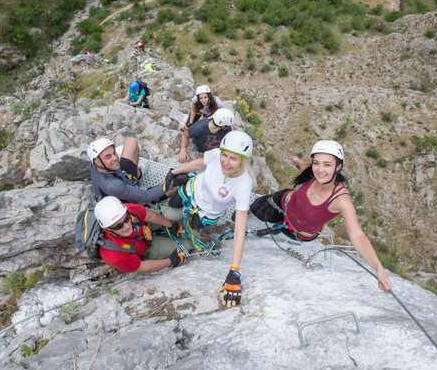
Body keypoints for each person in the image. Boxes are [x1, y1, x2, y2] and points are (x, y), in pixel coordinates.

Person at [250, 140, 393, 293]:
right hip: (285, 200)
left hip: (297, 231)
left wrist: (379, 269)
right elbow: (308, 169)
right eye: (316, 163)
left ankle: (277, 225)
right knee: (256, 207)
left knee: (270, 219)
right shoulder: (316, 174)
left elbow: (357, 236)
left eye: (327, 164)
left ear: (338, 167)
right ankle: (249, 211)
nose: (320, 169)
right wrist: (298, 161)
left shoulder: (341, 200)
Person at [166, 131, 254, 308]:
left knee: (195, 225)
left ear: (244, 161)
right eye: (225, 155)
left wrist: (234, 272)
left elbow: (239, 231)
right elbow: (200, 162)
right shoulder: (217, 155)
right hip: (192, 191)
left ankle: (187, 227)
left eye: (233, 159)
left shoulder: (243, 184)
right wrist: (175, 171)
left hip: (208, 212)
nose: (226, 162)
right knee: (172, 204)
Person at [94, 196, 194, 273]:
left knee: (179, 213)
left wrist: (170, 224)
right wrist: (170, 261)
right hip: (146, 248)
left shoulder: (125, 210)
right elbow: (142, 266)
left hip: (145, 226)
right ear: (106, 229)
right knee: (190, 242)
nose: (126, 226)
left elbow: (149, 216)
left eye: (126, 219)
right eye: (118, 226)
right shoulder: (114, 255)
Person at [89, 137, 175, 204]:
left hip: (124, 178)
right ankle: (156, 198)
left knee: (131, 141)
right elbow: (146, 196)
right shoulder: (113, 185)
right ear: (97, 162)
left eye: (114, 153)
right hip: (135, 200)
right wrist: (172, 183)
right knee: (178, 183)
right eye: (108, 157)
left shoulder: (95, 164)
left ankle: (137, 175)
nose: (115, 158)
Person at [178, 85, 224, 163]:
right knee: (189, 127)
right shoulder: (195, 100)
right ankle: (188, 141)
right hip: (200, 114)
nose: (203, 100)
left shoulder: (216, 102)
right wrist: (190, 123)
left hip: (211, 116)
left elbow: (219, 114)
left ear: (209, 96)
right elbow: (193, 111)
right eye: (201, 98)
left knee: (205, 130)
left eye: (205, 97)